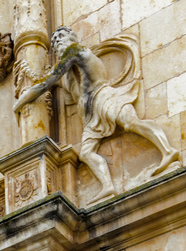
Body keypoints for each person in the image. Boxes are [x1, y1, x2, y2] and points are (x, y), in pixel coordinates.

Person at [13, 26, 180, 200]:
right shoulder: (71, 63)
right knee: (86, 152)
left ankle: (167, 151)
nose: (58, 43)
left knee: (132, 123)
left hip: (105, 98)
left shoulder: (74, 51)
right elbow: (72, 89)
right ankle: (107, 186)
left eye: (61, 37)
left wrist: (18, 104)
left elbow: (43, 85)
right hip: (92, 112)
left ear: (73, 37)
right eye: (54, 43)